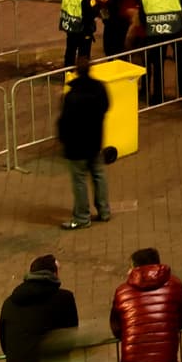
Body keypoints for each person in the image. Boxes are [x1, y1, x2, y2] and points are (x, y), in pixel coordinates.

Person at [0, 254, 78, 362]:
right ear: (54, 274)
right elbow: (71, 338)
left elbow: (4, 342)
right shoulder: (64, 298)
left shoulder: (9, 303)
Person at [57, 52, 112, 230]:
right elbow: (106, 106)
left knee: (79, 180)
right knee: (98, 175)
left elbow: (65, 121)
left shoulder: (72, 96)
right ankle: (104, 210)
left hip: (77, 146)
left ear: (76, 71)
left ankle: (82, 216)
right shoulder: (99, 88)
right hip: (95, 141)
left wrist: (63, 140)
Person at [58, 0, 101, 68]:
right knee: (84, 54)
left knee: (70, 51)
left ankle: (67, 74)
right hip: (83, 29)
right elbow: (92, 12)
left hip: (69, 26)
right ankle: (82, 75)